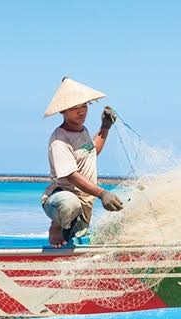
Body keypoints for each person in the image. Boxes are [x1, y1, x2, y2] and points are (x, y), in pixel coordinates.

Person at [41, 77, 124, 248]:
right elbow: (71, 175)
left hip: (84, 203)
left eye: (84, 106)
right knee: (69, 203)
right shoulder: (59, 140)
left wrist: (105, 127)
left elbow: (92, 152)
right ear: (63, 111)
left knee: (75, 241)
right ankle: (55, 226)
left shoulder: (83, 131)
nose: (81, 112)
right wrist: (102, 193)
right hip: (61, 200)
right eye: (74, 108)